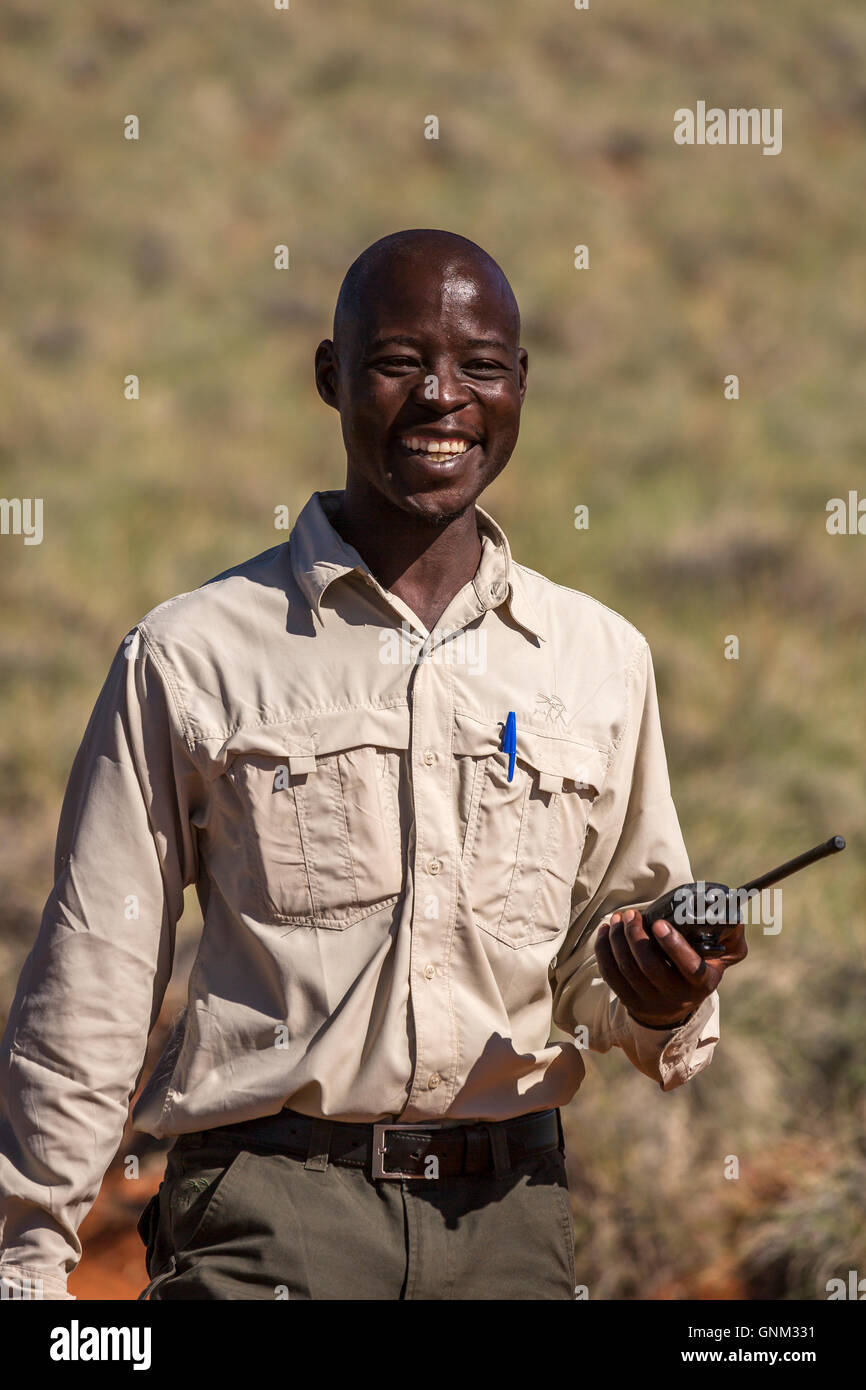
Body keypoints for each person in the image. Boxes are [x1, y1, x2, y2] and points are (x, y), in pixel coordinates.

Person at [0, 229, 747, 1302]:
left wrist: (664, 991)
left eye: (480, 365)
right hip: (269, 1216)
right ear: (329, 376)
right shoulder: (191, 652)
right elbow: (93, 977)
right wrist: (30, 1258)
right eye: (399, 361)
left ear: (520, 384)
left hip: (511, 1228)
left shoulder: (602, 661)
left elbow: (603, 963)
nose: (443, 397)